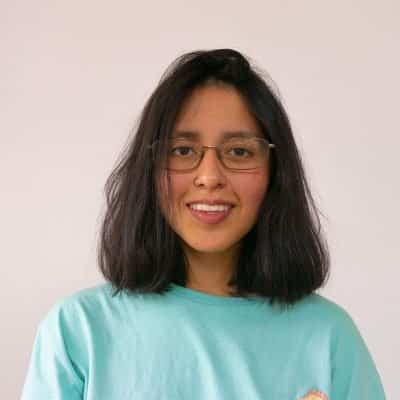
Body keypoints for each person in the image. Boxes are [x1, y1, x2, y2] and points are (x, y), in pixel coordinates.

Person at [21, 48, 386, 400]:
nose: (210, 177)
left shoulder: (329, 338)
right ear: (149, 169)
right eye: (182, 151)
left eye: (239, 151)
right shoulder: (78, 332)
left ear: (276, 172)